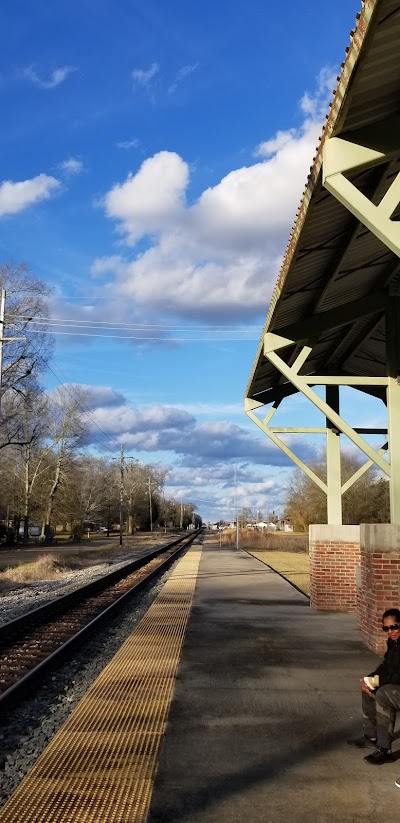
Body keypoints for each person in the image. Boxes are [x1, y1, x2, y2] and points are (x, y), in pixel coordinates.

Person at [348, 608, 400, 765]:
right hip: (396, 684)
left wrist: (378, 682)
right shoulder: (393, 642)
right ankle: (371, 736)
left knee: (383, 693)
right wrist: (370, 679)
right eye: (386, 628)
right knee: (368, 689)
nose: (390, 631)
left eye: (394, 626)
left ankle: (385, 750)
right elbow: (386, 666)